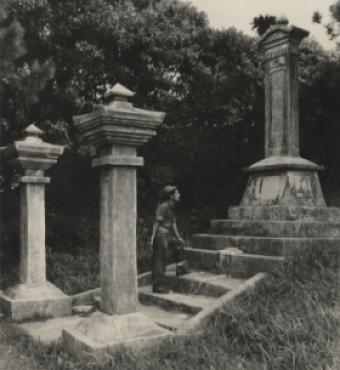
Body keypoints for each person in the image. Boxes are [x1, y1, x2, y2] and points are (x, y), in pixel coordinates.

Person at [149, 185, 189, 294]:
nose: (179, 195)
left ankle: (181, 268)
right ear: (171, 196)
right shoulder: (163, 206)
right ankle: (157, 285)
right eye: (177, 193)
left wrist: (179, 237)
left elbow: (173, 223)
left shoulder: (172, 207)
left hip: (167, 235)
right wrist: (152, 237)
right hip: (161, 235)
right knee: (160, 260)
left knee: (179, 244)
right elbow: (156, 222)